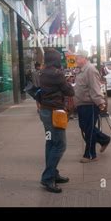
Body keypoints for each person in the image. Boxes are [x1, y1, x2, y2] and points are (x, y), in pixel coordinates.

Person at [38, 48, 75, 193]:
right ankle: (47, 178)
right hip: (55, 112)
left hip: (45, 111)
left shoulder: (42, 72)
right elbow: (69, 91)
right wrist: (67, 82)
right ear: (56, 59)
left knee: (50, 142)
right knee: (60, 145)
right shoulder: (57, 74)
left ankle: (53, 173)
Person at [74, 50, 111, 163]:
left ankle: (90, 155)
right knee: (84, 127)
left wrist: (100, 103)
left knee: (89, 129)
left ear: (84, 58)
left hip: (90, 104)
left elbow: (95, 87)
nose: (76, 60)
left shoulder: (90, 69)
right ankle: (104, 139)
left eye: (78, 58)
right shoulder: (80, 70)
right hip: (82, 104)